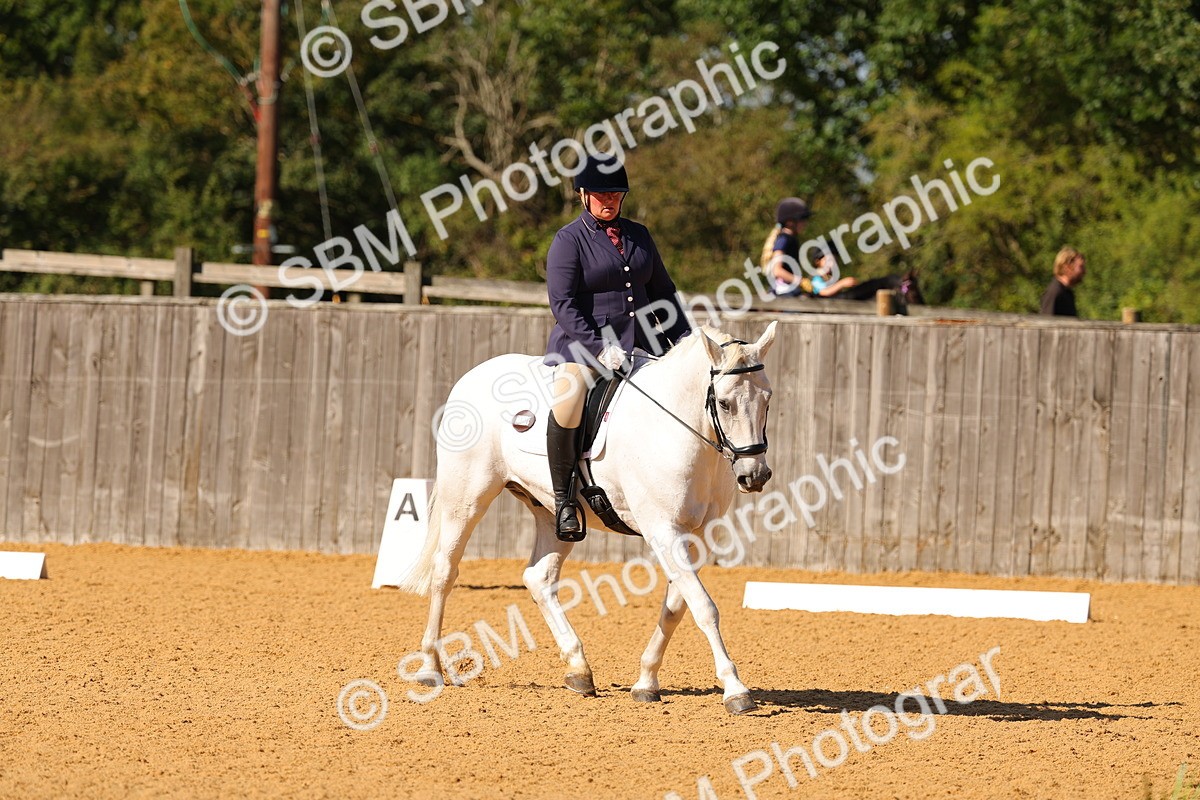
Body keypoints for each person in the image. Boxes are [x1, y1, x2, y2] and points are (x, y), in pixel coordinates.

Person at [543, 154, 692, 542]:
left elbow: (664, 293)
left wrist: (686, 341)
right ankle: (564, 502)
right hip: (582, 345)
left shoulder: (639, 235)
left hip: (643, 342)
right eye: (600, 193)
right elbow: (563, 305)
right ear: (582, 195)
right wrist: (598, 347)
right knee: (570, 396)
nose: (609, 200)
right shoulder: (568, 240)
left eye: (615, 193)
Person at [765, 197, 813, 296]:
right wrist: (800, 281)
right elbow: (777, 270)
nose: (805, 223)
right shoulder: (784, 240)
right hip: (783, 292)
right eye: (802, 220)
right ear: (790, 222)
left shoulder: (790, 239)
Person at [1040, 246, 1085, 316]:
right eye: (1081, 267)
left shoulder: (1067, 293)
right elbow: (1046, 323)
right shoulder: (1055, 292)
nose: (1084, 272)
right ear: (1068, 266)